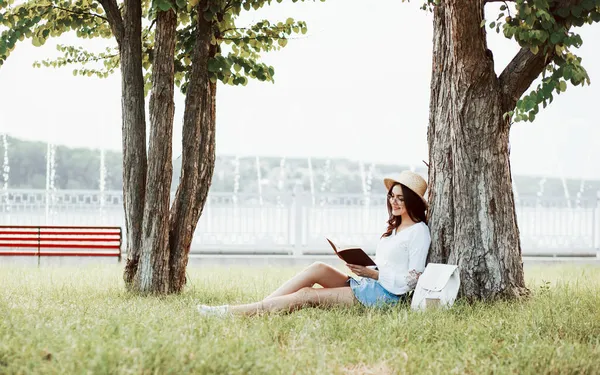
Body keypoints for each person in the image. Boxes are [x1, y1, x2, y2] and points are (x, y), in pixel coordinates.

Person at [197, 170, 431, 317]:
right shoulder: (394, 228)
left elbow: (412, 281)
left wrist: (374, 275)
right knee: (317, 268)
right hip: (370, 284)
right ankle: (262, 307)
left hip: (385, 297)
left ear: (411, 201)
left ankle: (233, 312)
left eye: (401, 198)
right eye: (392, 196)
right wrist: (362, 265)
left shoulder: (418, 232)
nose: (394, 202)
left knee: (307, 295)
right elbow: (389, 264)